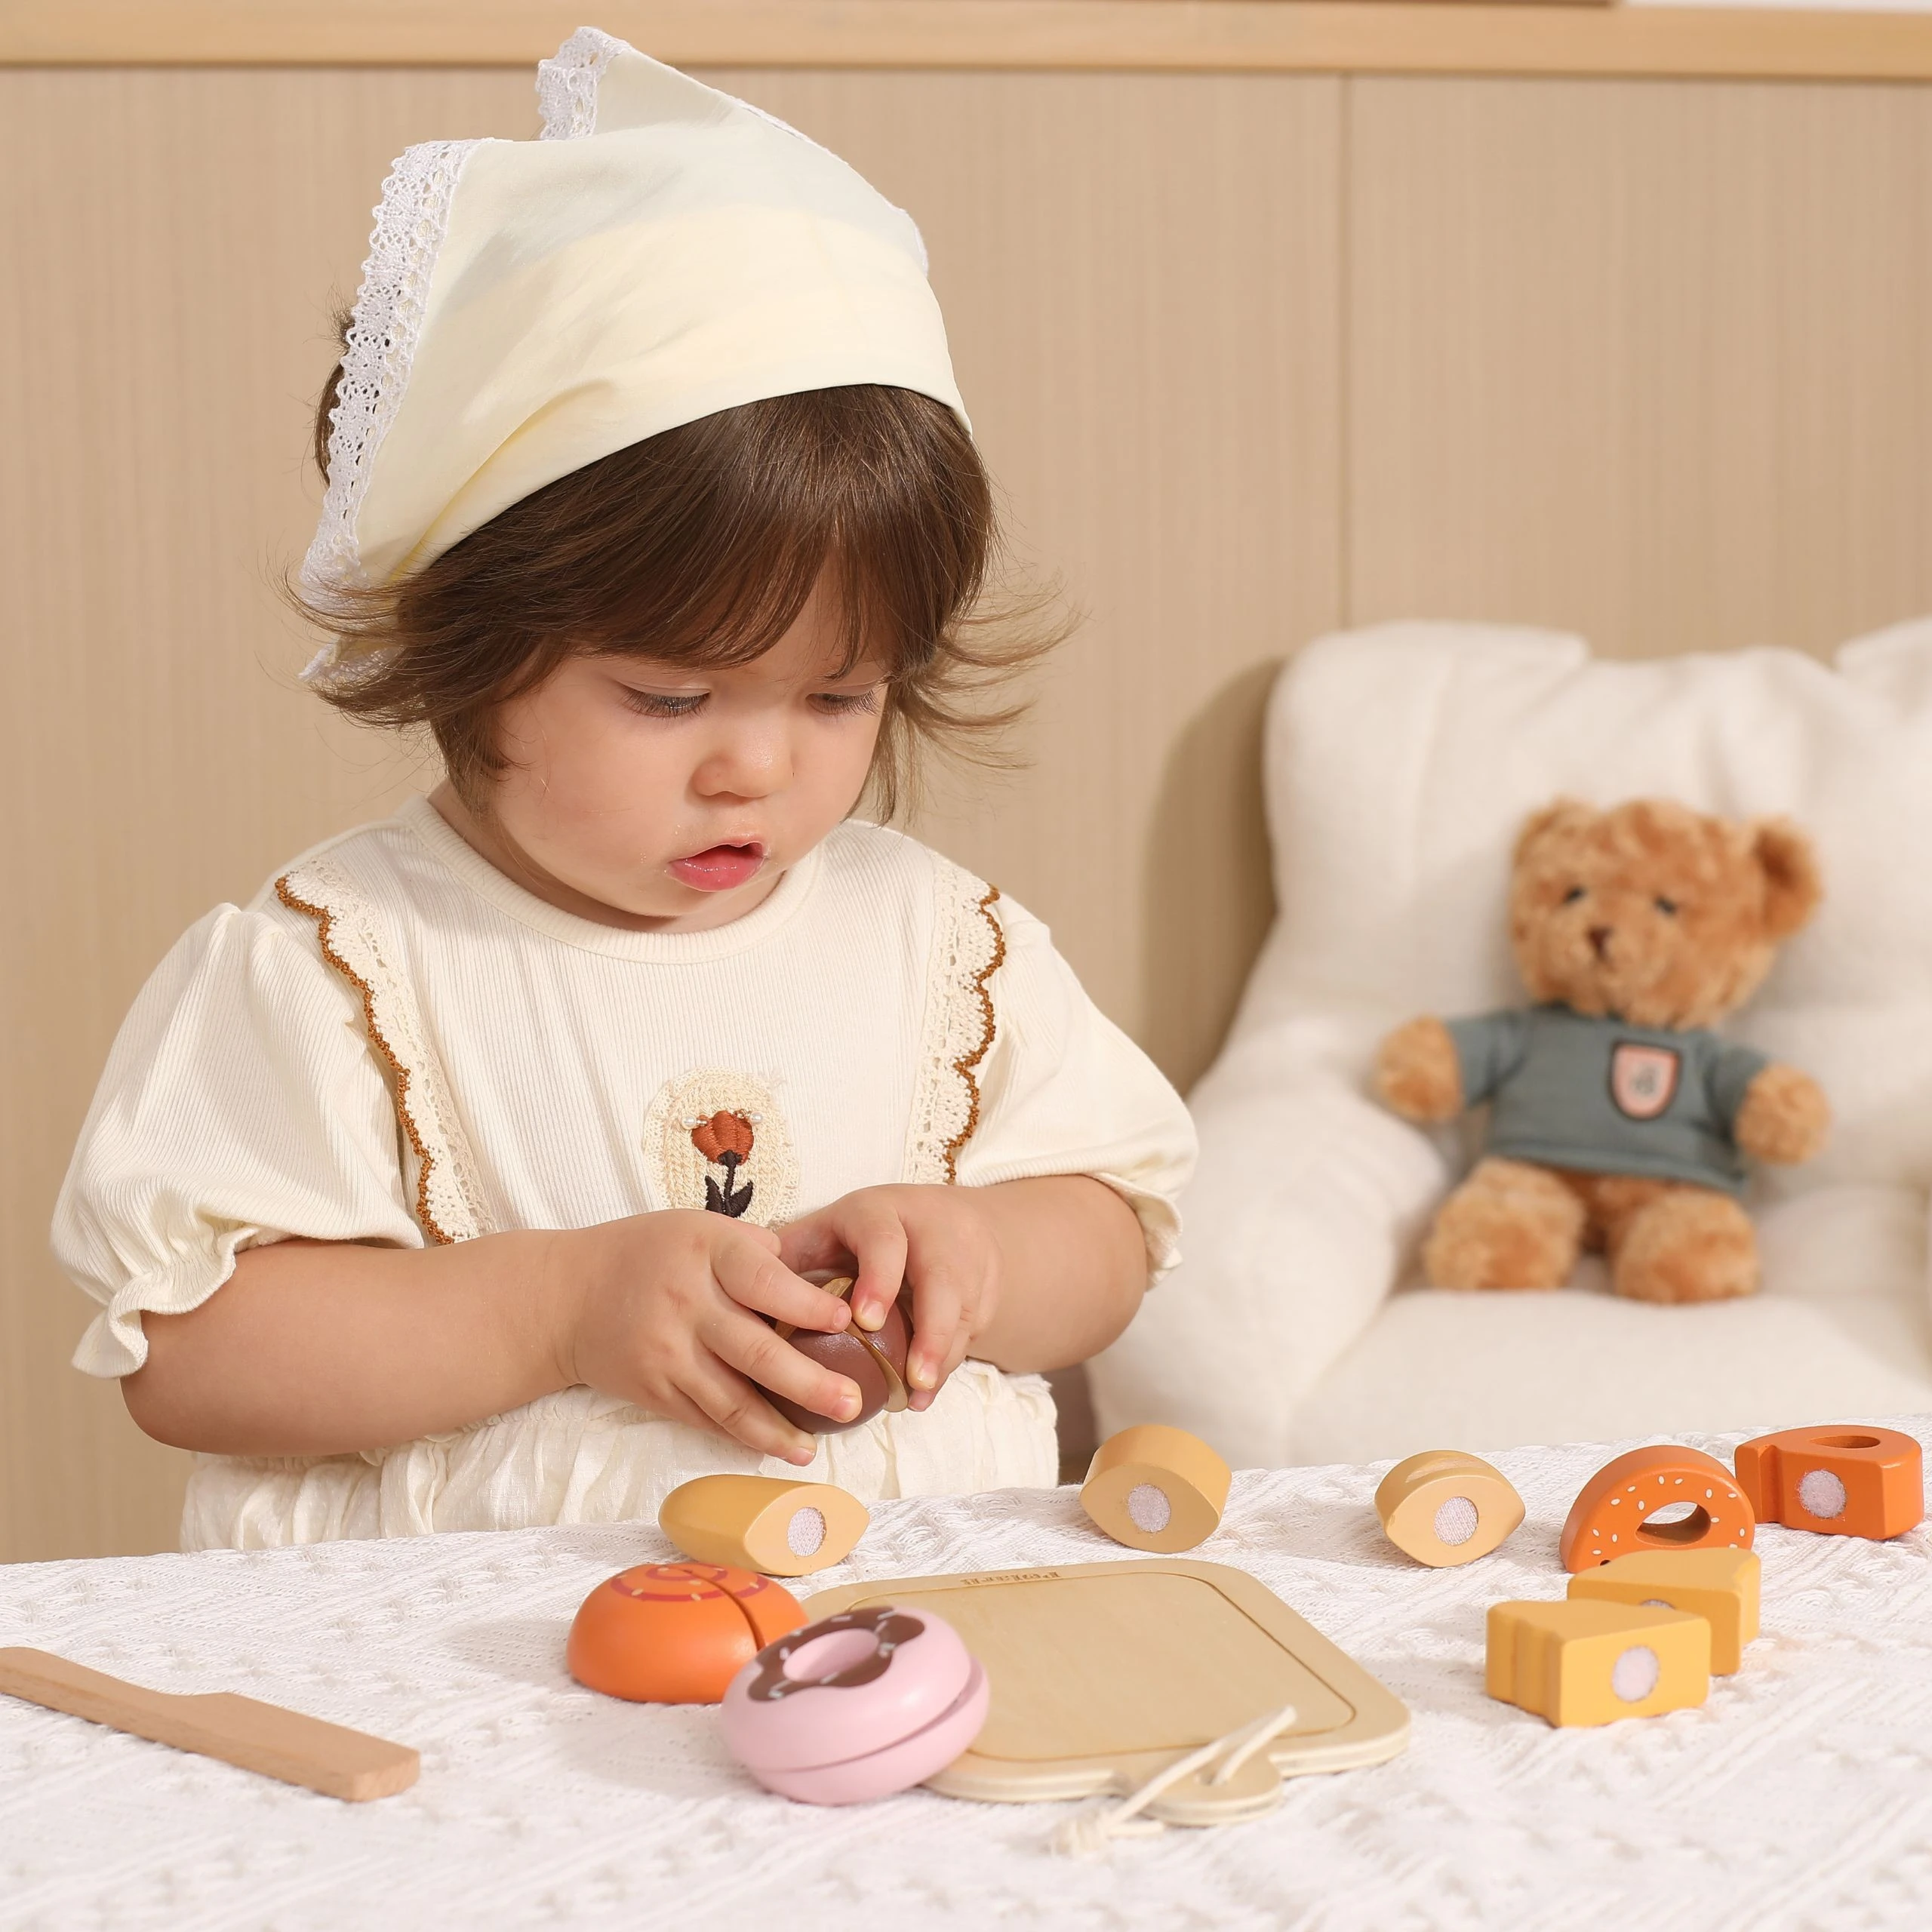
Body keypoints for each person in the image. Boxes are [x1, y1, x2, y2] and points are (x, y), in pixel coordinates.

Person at [52, 30, 1195, 1549]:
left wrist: (974, 1249)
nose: (757, 767)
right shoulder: (341, 967)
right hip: (479, 1657)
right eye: (670, 697)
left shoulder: (940, 944)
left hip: (899, 1631)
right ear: (470, 641)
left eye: (839, 696)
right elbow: (189, 1355)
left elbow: (1113, 1229)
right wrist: (556, 1308)